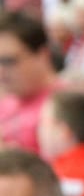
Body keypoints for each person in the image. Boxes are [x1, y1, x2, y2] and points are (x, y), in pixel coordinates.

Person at [0, 13, 57, 155]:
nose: (1, 71)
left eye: (8, 61)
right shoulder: (6, 101)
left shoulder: (66, 106)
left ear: (42, 56)